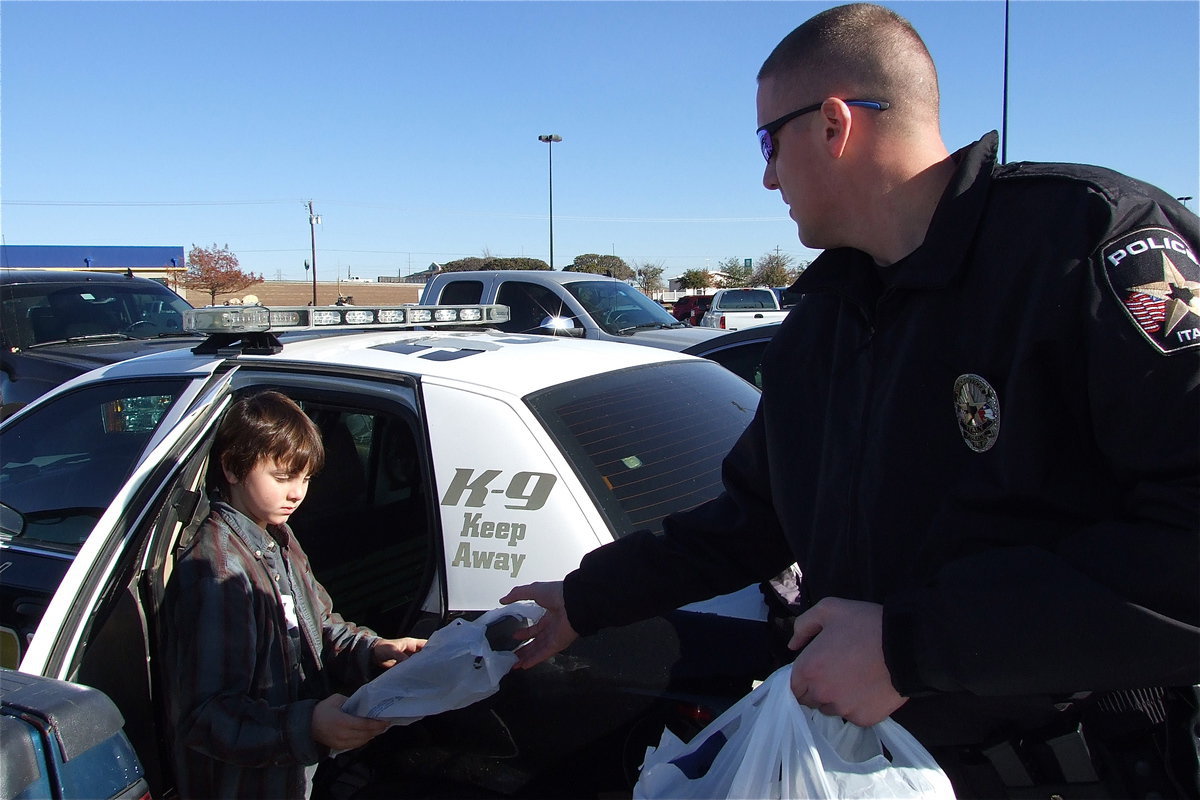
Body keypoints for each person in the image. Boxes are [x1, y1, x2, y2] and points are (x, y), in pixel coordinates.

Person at [502, 4, 1200, 797]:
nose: (767, 176)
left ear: (833, 124)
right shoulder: (824, 326)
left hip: (1072, 765)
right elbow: (749, 520)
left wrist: (913, 645)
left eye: (768, 142)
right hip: (870, 763)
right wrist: (583, 601)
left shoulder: (1083, 245)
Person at [163, 391, 425, 799]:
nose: (297, 493)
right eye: (282, 477)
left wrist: (375, 649)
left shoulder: (277, 537)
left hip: (285, 775)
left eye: (304, 478)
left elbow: (319, 624)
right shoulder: (219, 575)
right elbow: (205, 717)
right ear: (232, 468)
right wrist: (307, 727)